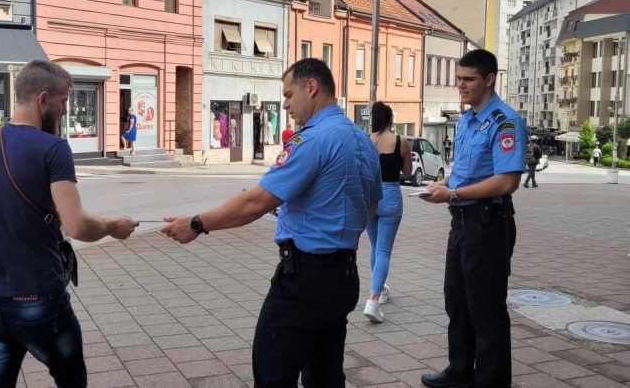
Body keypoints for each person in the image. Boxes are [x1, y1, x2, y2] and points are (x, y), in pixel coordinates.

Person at [161, 58, 382, 387]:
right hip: (343, 276)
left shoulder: (313, 139)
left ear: (312, 87)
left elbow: (254, 203)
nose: (286, 104)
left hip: (304, 280)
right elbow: (372, 206)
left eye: (289, 94)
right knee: (325, 374)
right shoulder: (362, 140)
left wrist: (196, 224)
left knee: (272, 371)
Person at [0, 60, 139, 387]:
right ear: (42, 100)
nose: (64, 110)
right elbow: (76, 225)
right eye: (63, 101)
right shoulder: (54, 149)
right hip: (39, 301)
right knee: (71, 379)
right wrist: (112, 226)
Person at [420, 49, 526, 388]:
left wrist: (453, 194)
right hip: (462, 224)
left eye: (468, 80)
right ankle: (460, 371)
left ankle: (491, 382)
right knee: (458, 302)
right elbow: (464, 173)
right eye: (459, 79)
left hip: (488, 223)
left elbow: (508, 180)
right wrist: (445, 183)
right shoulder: (466, 120)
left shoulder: (505, 121)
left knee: (487, 310)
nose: (460, 86)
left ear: (489, 79)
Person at [363, 101, 412, 322]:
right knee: (383, 251)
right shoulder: (401, 141)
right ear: (391, 119)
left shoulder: (366, 141)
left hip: (369, 196)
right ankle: (373, 300)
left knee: (375, 247)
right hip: (391, 194)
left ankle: (380, 290)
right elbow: (408, 172)